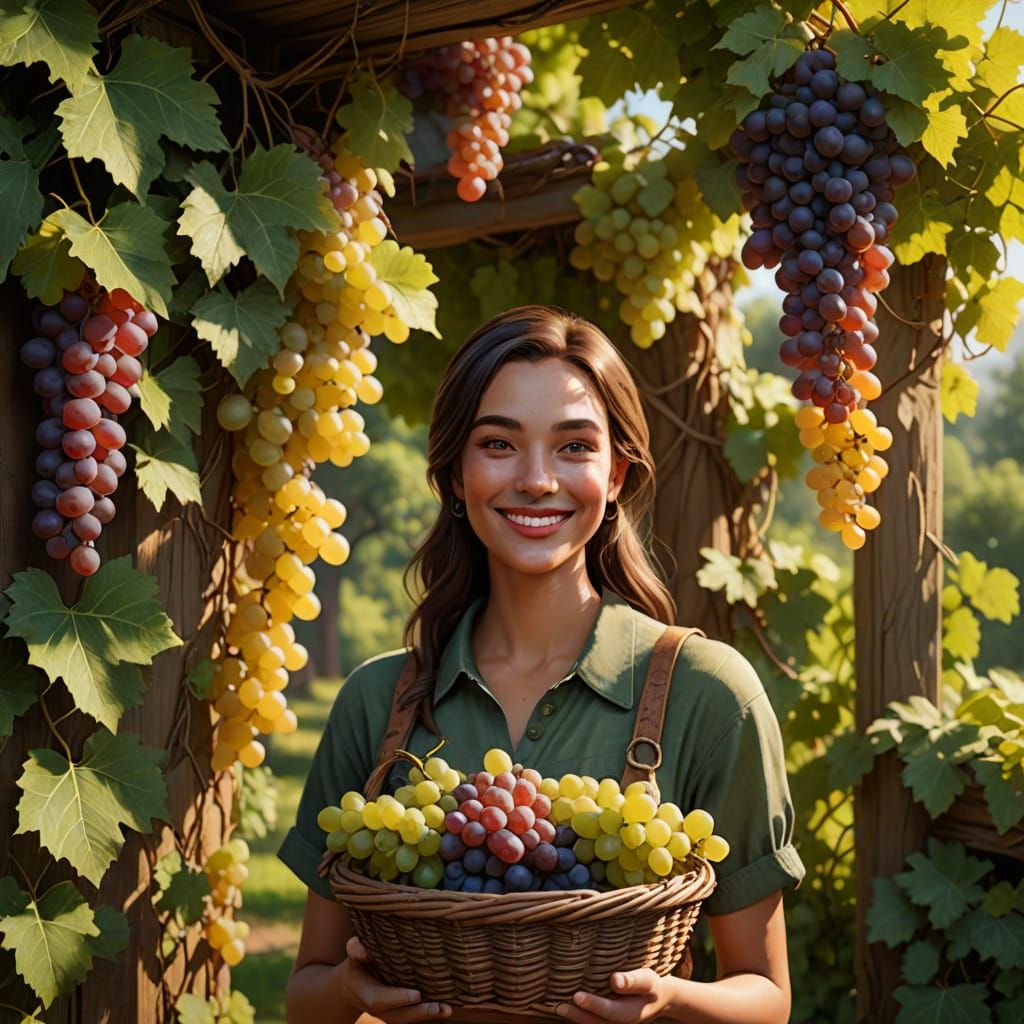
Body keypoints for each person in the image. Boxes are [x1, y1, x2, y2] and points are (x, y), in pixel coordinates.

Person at [279, 305, 805, 1024]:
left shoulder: (709, 694)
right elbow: (307, 994)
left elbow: (767, 998)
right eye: (498, 444)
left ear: (616, 474)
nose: (535, 480)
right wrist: (346, 991)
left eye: (573, 447)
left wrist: (672, 1000)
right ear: (457, 475)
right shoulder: (378, 699)